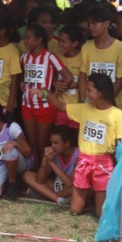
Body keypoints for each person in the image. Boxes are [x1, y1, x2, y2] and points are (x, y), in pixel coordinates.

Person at [47, 73, 122, 217]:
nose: (86, 94)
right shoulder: (85, 108)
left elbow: (119, 143)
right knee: (75, 211)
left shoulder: (117, 114)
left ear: (102, 92)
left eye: (89, 90)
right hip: (83, 162)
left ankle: (95, 194)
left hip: (103, 164)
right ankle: (87, 195)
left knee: (101, 214)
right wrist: (45, 94)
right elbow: (61, 106)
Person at [21, 23, 73, 170]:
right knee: (32, 144)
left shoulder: (50, 57)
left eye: (28, 38)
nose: (25, 41)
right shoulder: (24, 57)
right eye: (25, 38)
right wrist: (22, 84)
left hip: (44, 107)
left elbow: (68, 76)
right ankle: (35, 171)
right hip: (27, 105)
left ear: (39, 40)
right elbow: (21, 76)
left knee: (43, 144)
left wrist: (54, 94)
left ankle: (43, 173)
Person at [0, 100, 33, 201]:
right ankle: (5, 183)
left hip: (18, 163)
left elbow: (28, 152)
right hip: (0, 163)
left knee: (9, 152)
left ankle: (12, 183)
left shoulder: (12, 127)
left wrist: (16, 144)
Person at [78, 5, 122, 108]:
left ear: (106, 24)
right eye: (89, 24)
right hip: (90, 104)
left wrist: (106, 101)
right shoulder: (86, 47)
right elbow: (83, 77)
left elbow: (120, 79)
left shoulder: (121, 48)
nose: (90, 27)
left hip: (113, 106)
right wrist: (83, 101)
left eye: (94, 23)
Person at [22, 126, 79, 204]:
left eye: (56, 143)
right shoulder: (54, 154)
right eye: (51, 143)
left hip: (71, 188)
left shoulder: (78, 155)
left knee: (76, 189)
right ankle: (60, 200)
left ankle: (47, 195)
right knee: (27, 175)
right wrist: (45, 160)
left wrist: (52, 163)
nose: (53, 146)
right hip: (58, 186)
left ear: (67, 143)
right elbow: (40, 180)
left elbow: (69, 184)